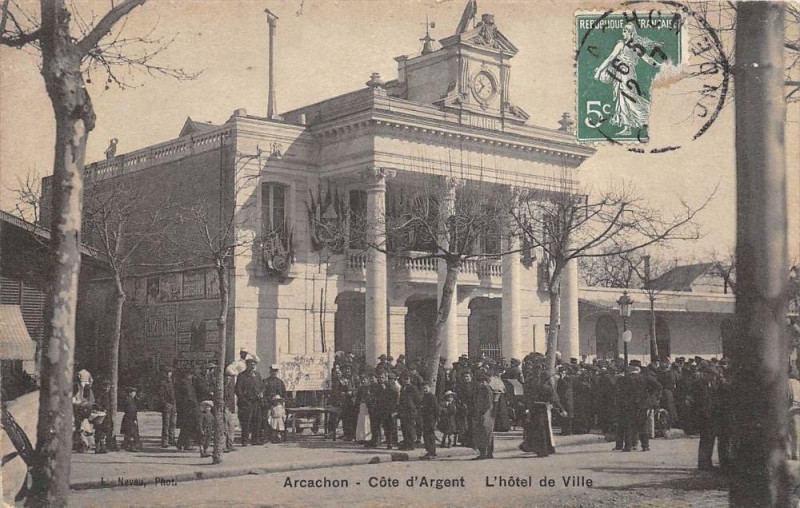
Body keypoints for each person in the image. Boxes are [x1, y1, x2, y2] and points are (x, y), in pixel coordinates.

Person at [593, 22, 665, 136]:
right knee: (624, 99)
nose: (623, 33)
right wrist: (659, 65)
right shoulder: (631, 46)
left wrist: (598, 72)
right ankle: (628, 127)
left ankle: (645, 117)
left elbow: (647, 59)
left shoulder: (622, 45)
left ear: (631, 33)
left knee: (628, 98)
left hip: (626, 75)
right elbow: (647, 59)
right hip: (624, 74)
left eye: (625, 31)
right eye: (623, 31)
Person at [520, 369, 566, 457]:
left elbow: (529, 398)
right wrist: (562, 410)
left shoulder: (536, 386)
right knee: (546, 429)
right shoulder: (549, 388)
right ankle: (547, 449)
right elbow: (555, 400)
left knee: (539, 430)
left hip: (535, 409)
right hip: (544, 409)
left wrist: (528, 408)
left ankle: (540, 449)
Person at [235, 358, 263, 446]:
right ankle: (245, 440)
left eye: (254, 365)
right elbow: (237, 389)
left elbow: (262, 386)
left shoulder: (257, 375)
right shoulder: (242, 375)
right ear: (247, 365)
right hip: (247, 402)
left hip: (256, 402)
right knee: (246, 422)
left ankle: (255, 440)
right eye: (251, 365)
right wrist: (243, 400)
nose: (253, 366)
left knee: (257, 421)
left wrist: (261, 392)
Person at [471, 372, 495, 460]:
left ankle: (484, 453)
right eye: (479, 381)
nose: (480, 383)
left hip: (485, 414)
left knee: (484, 433)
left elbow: (488, 403)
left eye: (482, 381)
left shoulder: (486, 390)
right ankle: (488, 453)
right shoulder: (480, 390)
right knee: (487, 433)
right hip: (484, 413)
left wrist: (482, 413)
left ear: (485, 381)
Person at [372, 372, 398, 449]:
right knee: (380, 426)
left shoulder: (390, 386)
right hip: (380, 409)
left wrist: (394, 409)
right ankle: (378, 441)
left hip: (388, 409)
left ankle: (390, 442)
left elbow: (394, 397)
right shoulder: (377, 386)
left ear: (386, 378)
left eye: (382, 377)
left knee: (389, 427)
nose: (381, 379)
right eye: (379, 378)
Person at [176, 368, 200, 451]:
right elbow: (190, 396)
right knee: (189, 426)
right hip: (189, 408)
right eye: (191, 375)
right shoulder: (187, 383)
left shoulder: (184, 382)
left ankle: (180, 444)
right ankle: (187, 445)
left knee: (185, 427)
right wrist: (195, 405)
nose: (192, 376)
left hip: (184, 408)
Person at [262, 364, 287, 443]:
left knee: (280, 421)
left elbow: (284, 394)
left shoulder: (280, 382)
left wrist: (281, 401)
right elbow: (263, 393)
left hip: (278, 406)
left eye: (275, 371)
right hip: (269, 404)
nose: (274, 372)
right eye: (272, 371)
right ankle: (268, 437)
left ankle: (279, 436)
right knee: (269, 421)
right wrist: (267, 402)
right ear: (270, 371)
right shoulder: (266, 381)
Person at [397, 373, 421, 450]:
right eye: (404, 379)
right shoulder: (403, 388)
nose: (406, 380)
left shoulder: (413, 388)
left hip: (410, 411)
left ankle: (411, 445)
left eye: (407, 379)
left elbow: (417, 400)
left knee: (410, 428)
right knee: (404, 428)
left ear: (410, 379)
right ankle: (406, 443)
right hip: (403, 411)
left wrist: (414, 409)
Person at [92, 379, 113, 454]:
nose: (107, 388)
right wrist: (102, 409)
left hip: (104, 415)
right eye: (106, 386)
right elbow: (96, 404)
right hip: (102, 415)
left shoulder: (106, 394)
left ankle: (100, 447)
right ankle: (99, 447)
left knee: (101, 431)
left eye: (108, 387)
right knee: (101, 431)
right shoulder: (102, 394)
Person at [419, 381, 439, 459]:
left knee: (430, 435)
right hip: (425, 418)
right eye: (423, 388)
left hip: (430, 419)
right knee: (426, 435)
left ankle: (432, 452)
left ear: (430, 388)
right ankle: (429, 451)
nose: (425, 390)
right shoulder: (424, 396)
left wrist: (435, 419)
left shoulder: (432, 397)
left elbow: (435, 408)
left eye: (426, 388)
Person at [158, 367, 177, 448]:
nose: (169, 374)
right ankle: (165, 441)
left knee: (173, 423)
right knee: (166, 423)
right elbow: (160, 395)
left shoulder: (173, 382)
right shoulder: (163, 383)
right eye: (168, 372)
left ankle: (172, 439)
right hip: (167, 404)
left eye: (170, 372)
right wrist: (164, 403)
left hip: (173, 404)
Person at [120, 386, 142, 452]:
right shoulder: (129, 400)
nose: (134, 394)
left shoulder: (131, 400)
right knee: (131, 432)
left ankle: (127, 445)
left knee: (129, 432)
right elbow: (131, 411)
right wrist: (134, 419)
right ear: (130, 393)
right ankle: (131, 446)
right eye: (133, 392)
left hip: (129, 418)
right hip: (130, 419)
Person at [789, 366, 800, 460]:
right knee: (795, 433)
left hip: (793, 409)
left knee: (791, 432)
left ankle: (793, 452)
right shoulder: (793, 383)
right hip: (794, 409)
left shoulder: (796, 383)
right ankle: (793, 452)